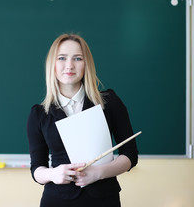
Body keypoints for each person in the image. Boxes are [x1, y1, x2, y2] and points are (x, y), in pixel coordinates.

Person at [26, 33, 138, 207]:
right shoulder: (40, 114)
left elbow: (130, 155)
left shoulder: (109, 102)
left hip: (104, 200)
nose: (69, 65)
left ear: (87, 65)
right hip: (57, 201)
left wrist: (98, 173)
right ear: (52, 65)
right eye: (62, 58)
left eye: (77, 58)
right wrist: (54, 174)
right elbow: (37, 168)